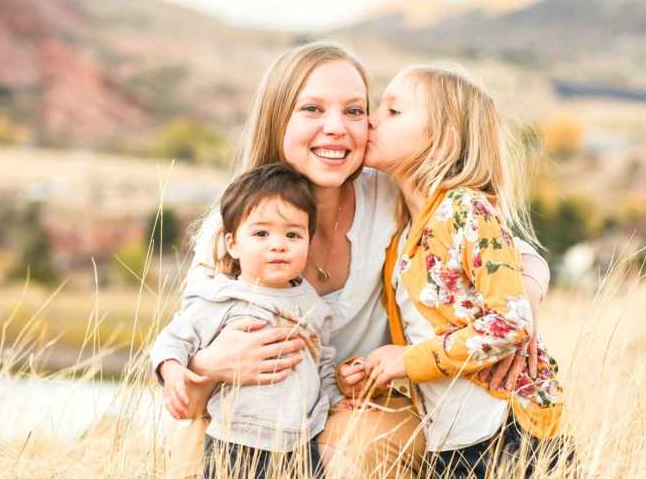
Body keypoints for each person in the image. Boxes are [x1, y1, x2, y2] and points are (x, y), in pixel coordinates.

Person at [157, 42, 551, 478]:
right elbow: (186, 386)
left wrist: (521, 312)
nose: (336, 128)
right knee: (197, 444)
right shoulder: (235, 225)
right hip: (266, 410)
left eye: (354, 111)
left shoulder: (388, 191)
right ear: (277, 120)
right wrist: (208, 366)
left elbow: (517, 254)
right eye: (311, 109)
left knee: (349, 444)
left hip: (365, 406)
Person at [355, 64, 571, 478]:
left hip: (505, 436)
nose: (371, 120)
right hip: (453, 443)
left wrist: (408, 360)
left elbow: (510, 323)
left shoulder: (465, 210)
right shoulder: (405, 232)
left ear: (443, 139)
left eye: (393, 112)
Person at [151, 163, 337, 478]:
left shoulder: (313, 306)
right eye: (261, 233)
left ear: (308, 240)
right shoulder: (221, 297)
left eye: (293, 234)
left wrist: (337, 397)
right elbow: (173, 339)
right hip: (236, 441)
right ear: (233, 243)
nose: (278, 244)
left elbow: (323, 363)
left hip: (302, 442)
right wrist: (171, 371)